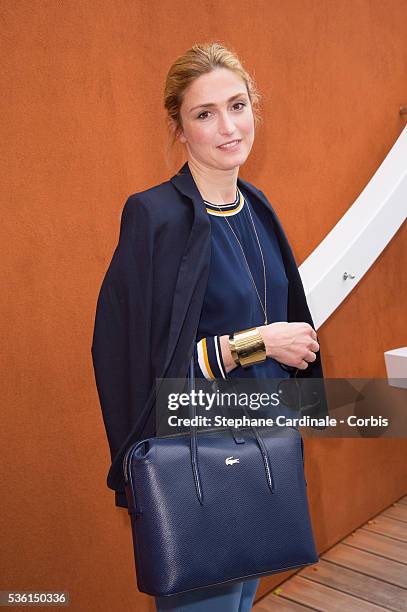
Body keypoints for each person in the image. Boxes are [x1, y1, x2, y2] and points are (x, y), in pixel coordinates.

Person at [91, 42, 327, 612]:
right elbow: (128, 353)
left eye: (238, 105)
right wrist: (257, 344)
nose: (228, 126)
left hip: (260, 448)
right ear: (179, 127)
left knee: (242, 600)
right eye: (204, 113)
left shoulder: (258, 206)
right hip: (195, 462)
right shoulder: (155, 216)